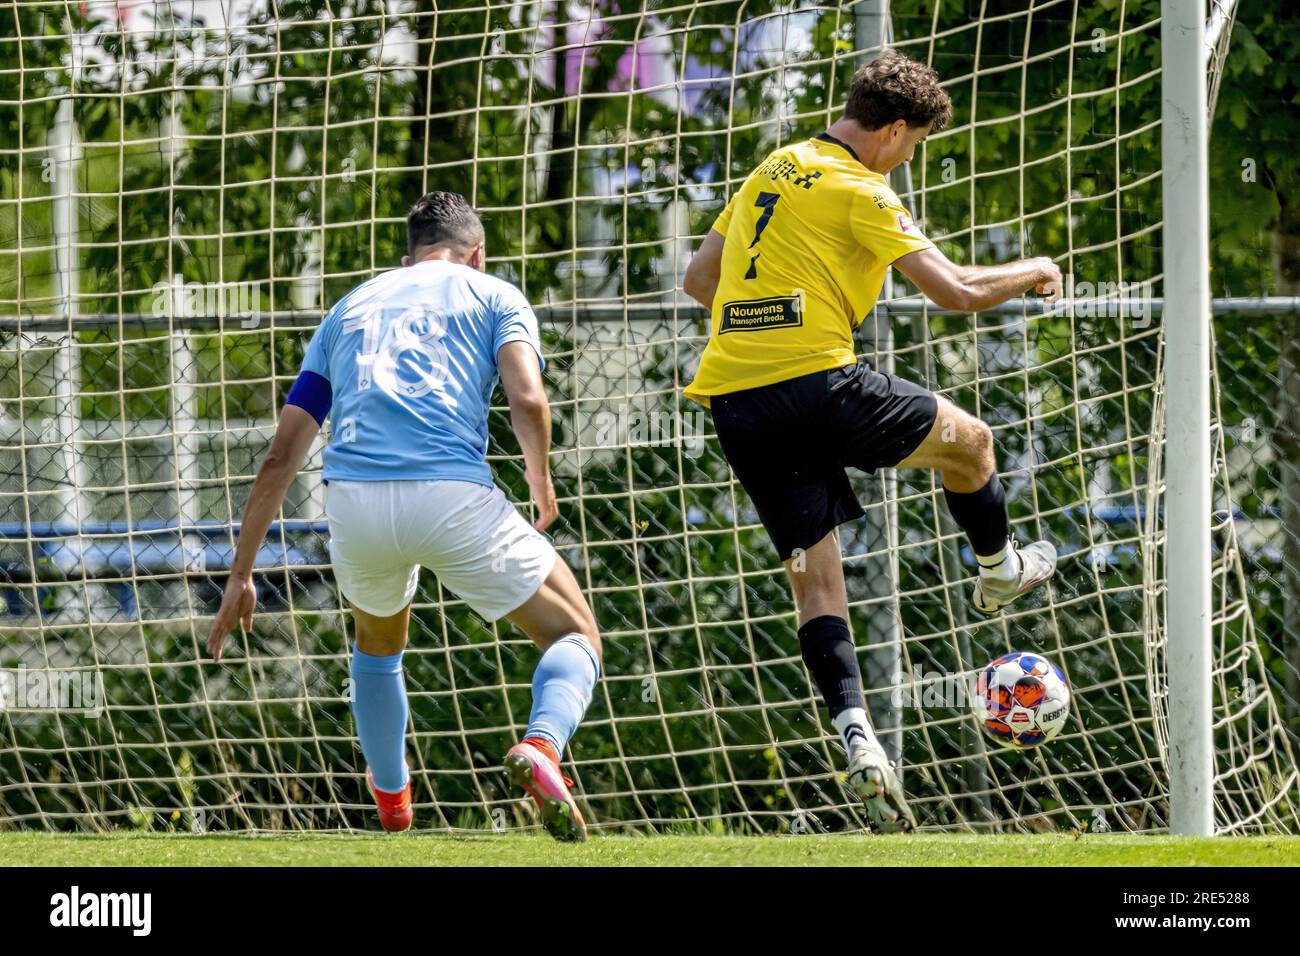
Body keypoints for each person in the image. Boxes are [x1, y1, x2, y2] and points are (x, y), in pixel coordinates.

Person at [681, 50, 1063, 831]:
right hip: (821, 384)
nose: (909, 160)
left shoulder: (774, 167)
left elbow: (699, 280)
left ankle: (858, 739)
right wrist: (1036, 270)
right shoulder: (863, 186)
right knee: (975, 445)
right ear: (892, 131)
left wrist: (770, 314)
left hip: (736, 401)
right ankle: (998, 572)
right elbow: (955, 293)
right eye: (913, 145)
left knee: (817, 586)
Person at [207, 191, 600, 842]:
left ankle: (393, 801)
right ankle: (541, 747)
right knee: (574, 635)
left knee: (378, 647)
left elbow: (281, 454)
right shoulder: (495, 295)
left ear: (407, 258)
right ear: (476, 254)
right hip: (451, 495)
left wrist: (241, 573)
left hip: (355, 503)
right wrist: (540, 479)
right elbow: (528, 398)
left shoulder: (350, 308)